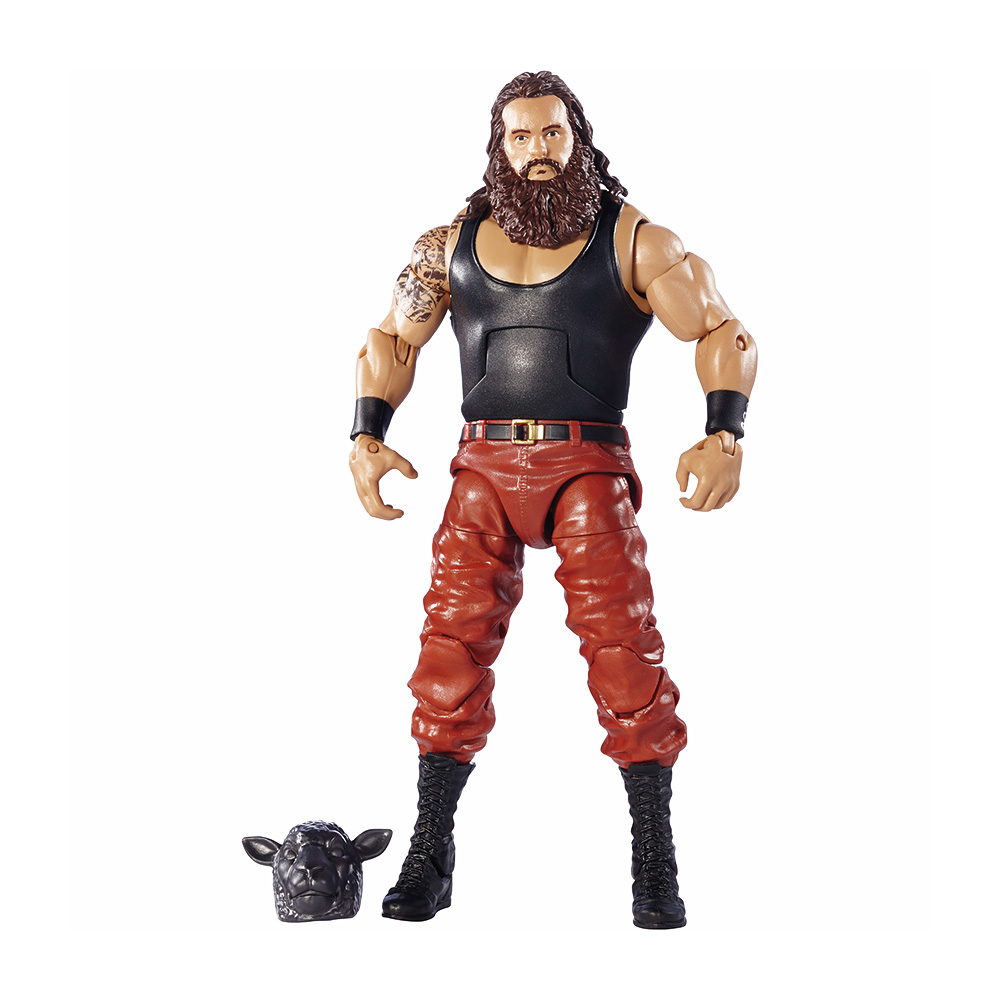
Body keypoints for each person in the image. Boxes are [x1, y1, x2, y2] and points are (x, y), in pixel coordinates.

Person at [348, 71, 757, 929]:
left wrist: (723, 432)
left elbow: (721, 329)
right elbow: (392, 338)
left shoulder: (635, 240)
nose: (537, 151)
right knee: (448, 652)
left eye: (551, 133)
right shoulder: (448, 246)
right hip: (483, 468)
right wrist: (366, 432)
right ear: (497, 145)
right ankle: (429, 850)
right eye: (521, 135)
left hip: (585, 466)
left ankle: (653, 855)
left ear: (578, 138)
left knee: (623, 652)